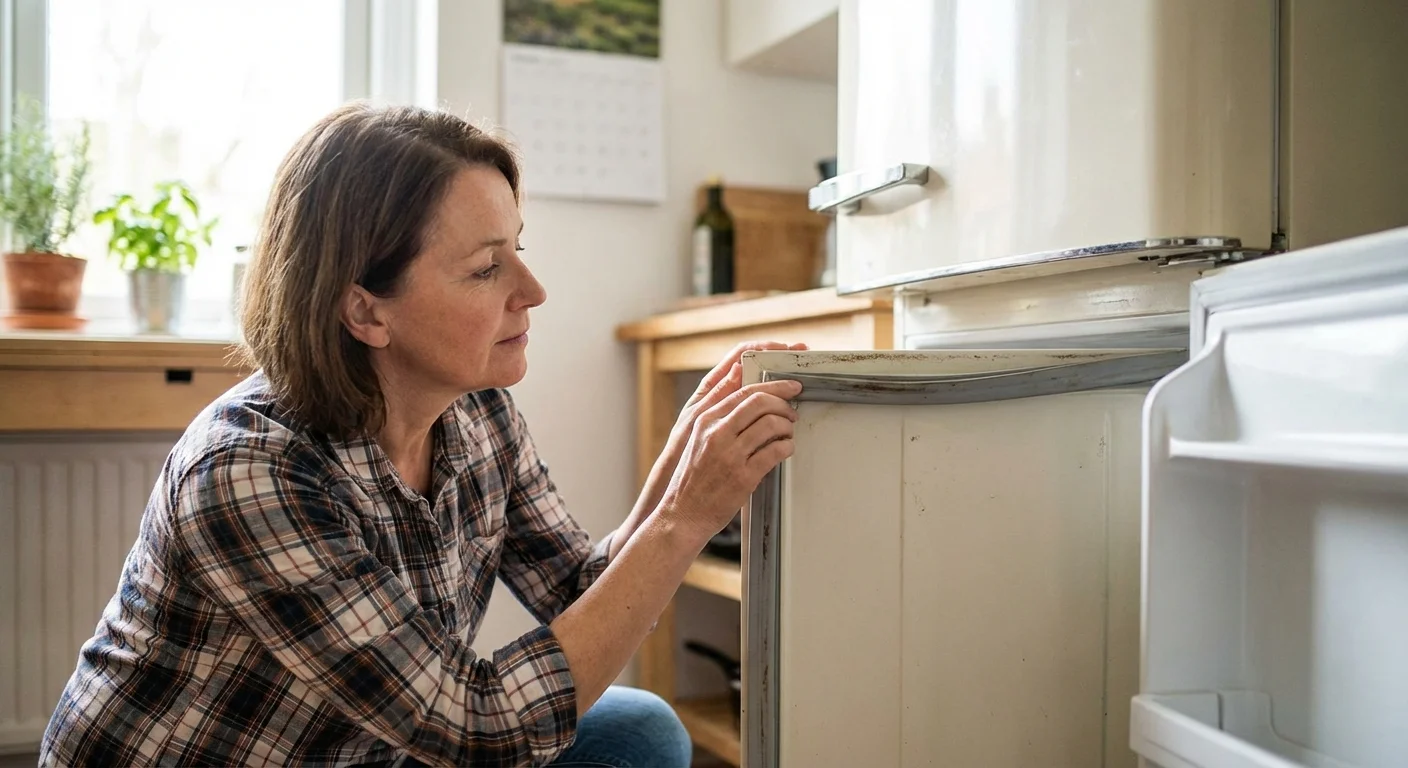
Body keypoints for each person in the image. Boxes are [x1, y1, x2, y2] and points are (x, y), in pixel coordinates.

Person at [39, 103, 805, 767]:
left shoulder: (478, 415)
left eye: (520, 251)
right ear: (366, 311)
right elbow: (478, 732)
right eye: (485, 269)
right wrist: (685, 517)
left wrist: (688, 452)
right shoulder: (247, 471)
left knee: (638, 731)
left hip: (364, 751)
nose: (532, 292)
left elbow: (582, 592)